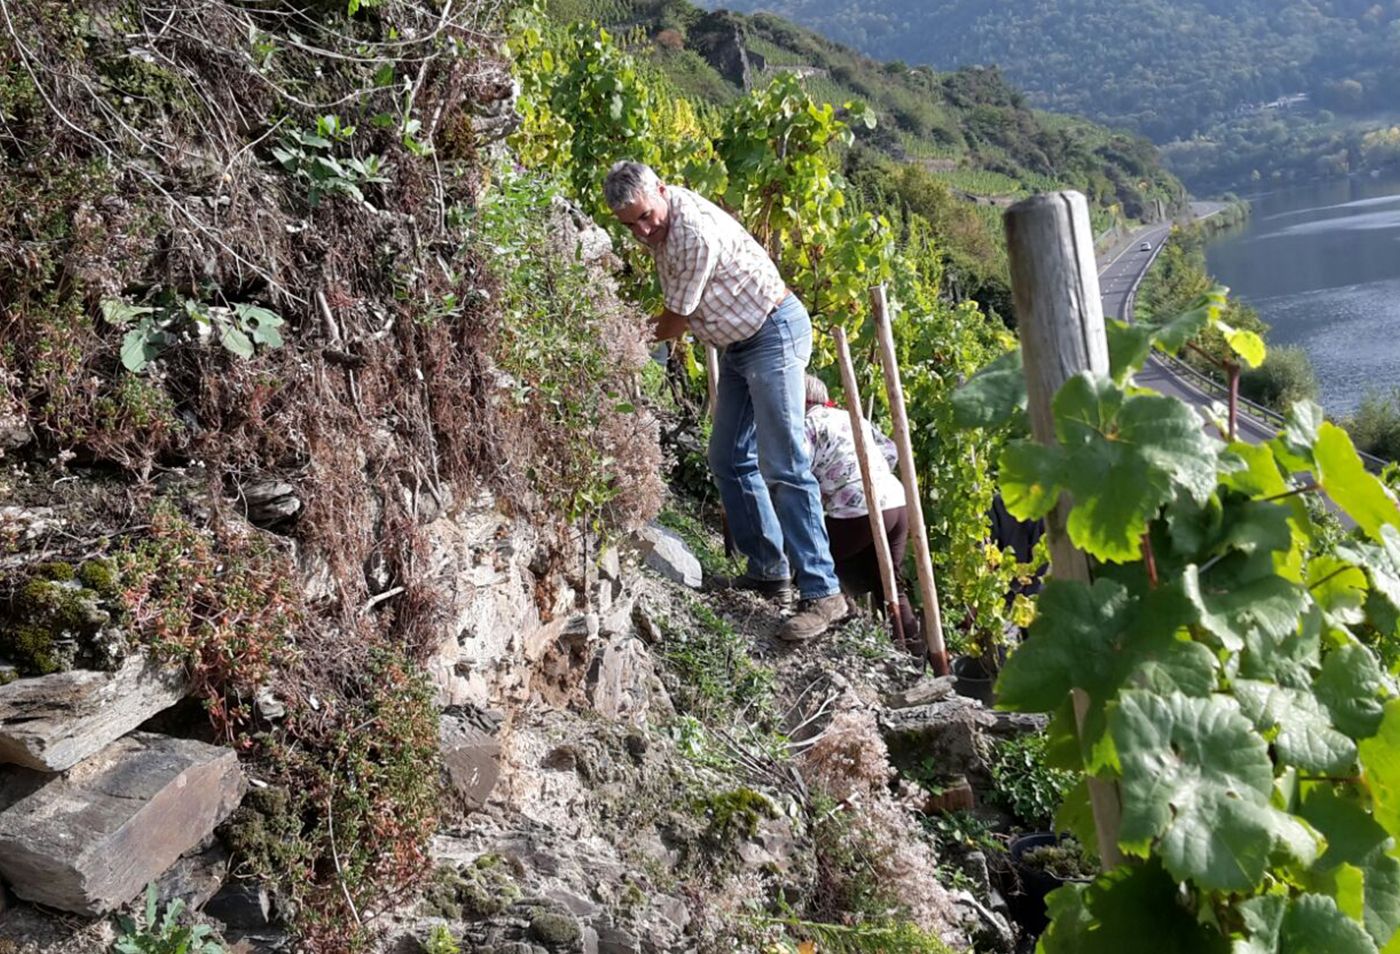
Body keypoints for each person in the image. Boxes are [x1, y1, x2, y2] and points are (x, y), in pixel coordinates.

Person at [603, 160, 846, 643]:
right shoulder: (662, 230)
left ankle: (823, 593)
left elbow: (675, 320)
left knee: (784, 463)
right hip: (739, 344)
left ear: (662, 190)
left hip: (773, 333)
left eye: (646, 216)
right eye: (630, 224)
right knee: (728, 457)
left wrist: (620, 344)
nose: (643, 230)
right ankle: (768, 571)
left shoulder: (690, 231)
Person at [802, 375, 919, 645]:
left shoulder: (809, 424)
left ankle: (827, 616)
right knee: (887, 580)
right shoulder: (850, 417)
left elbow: (798, 472)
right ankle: (913, 650)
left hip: (857, 508)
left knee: (813, 557)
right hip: (895, 502)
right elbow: (890, 451)